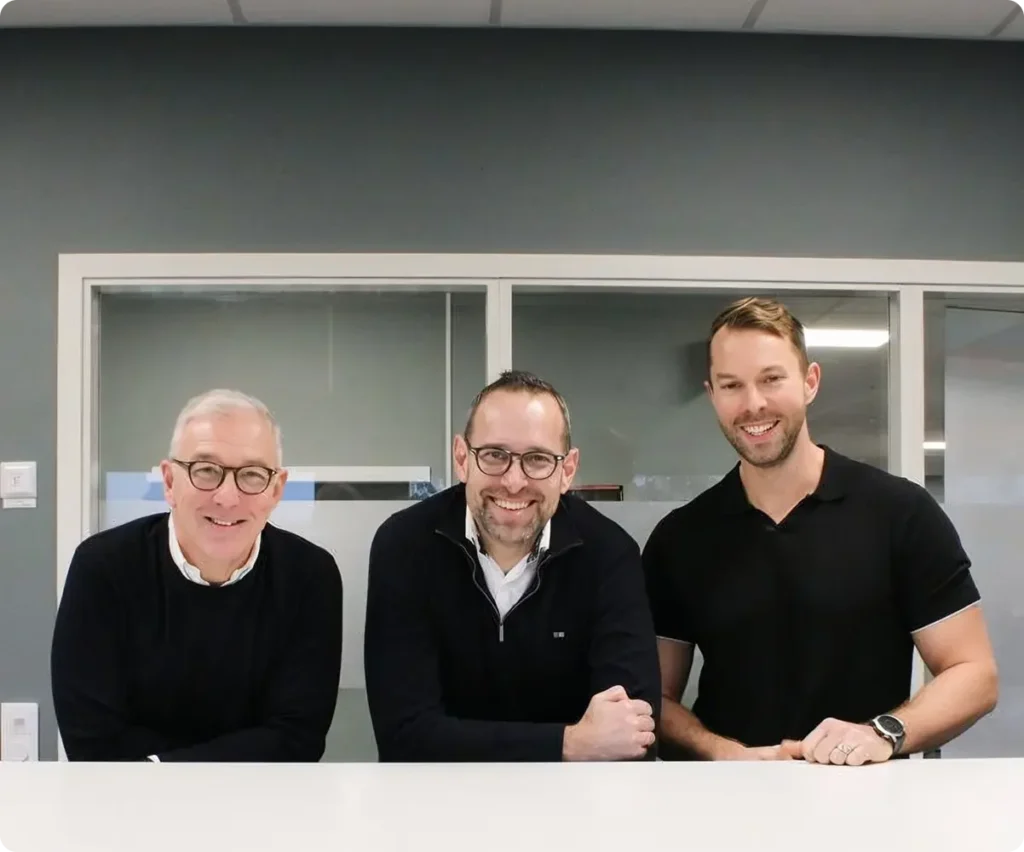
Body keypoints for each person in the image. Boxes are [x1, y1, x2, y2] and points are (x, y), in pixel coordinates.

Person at [643, 297, 999, 766]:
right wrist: (722, 753)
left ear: (810, 382)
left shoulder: (901, 513)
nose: (754, 404)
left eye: (772, 379)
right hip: (727, 802)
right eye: (732, 385)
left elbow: (974, 672)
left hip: (868, 801)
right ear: (712, 395)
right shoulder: (680, 539)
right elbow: (652, 697)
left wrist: (884, 732)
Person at [364, 370, 660, 762]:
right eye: (494, 455)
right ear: (461, 459)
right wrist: (569, 743)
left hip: (573, 806)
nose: (514, 481)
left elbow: (631, 733)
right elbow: (403, 735)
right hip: (435, 803)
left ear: (567, 470)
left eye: (537, 459)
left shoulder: (610, 554)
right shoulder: (404, 545)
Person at [51, 389, 343, 762]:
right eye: (206, 470)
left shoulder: (310, 576)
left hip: (262, 807)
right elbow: (91, 740)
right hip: (129, 808)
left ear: (276, 489)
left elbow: (297, 738)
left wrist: (160, 765)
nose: (226, 497)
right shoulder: (102, 568)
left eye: (252, 475)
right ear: (170, 482)